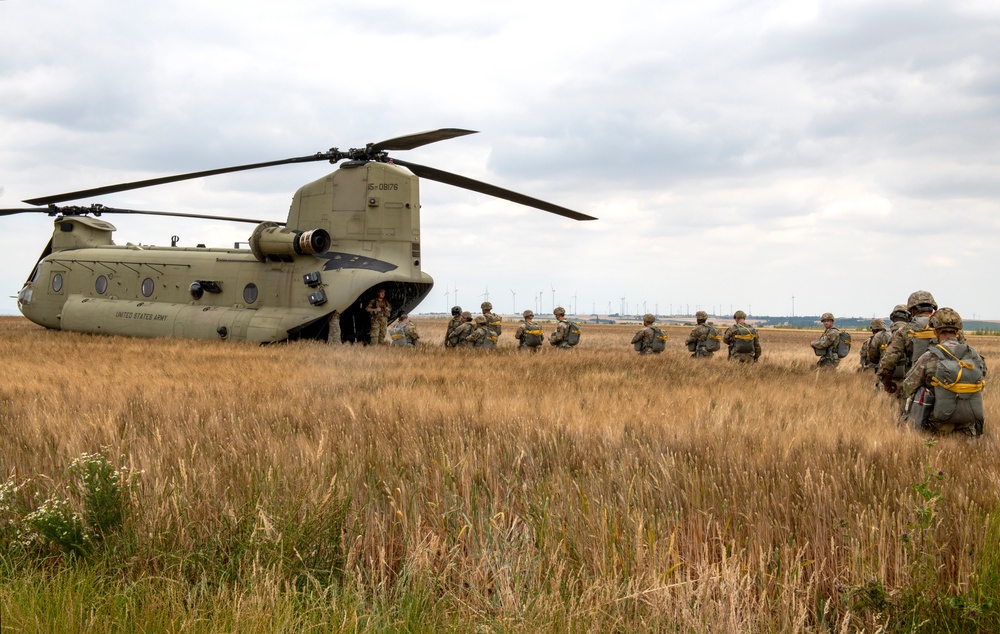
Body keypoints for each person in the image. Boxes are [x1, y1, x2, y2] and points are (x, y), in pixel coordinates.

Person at [900, 307, 986, 437]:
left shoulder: (928, 357)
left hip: (936, 429)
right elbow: (982, 378)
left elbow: (907, 387)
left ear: (935, 331)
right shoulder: (974, 356)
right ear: (957, 331)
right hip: (968, 429)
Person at [877, 291, 965, 393]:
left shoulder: (905, 330)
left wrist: (887, 382)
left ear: (913, 311)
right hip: (951, 385)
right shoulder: (951, 330)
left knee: (906, 407)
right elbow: (964, 354)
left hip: (916, 386)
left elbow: (888, 361)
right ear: (932, 308)